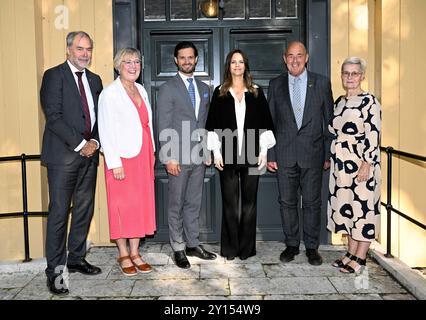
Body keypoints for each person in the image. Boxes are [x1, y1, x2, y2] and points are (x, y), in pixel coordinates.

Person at [40, 31, 103, 295]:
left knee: (83, 211)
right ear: (68, 50)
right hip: (63, 157)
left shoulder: (95, 79)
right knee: (58, 214)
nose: (84, 54)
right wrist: (81, 144)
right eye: (79, 48)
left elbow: (102, 117)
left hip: (90, 158)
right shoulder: (54, 75)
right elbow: (53, 116)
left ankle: (76, 258)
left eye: (88, 49)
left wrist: (96, 143)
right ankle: (55, 271)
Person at [267, 41, 334, 266]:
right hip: (284, 154)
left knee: (313, 203)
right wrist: (271, 154)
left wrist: (327, 154)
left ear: (306, 58)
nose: (295, 59)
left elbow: (329, 122)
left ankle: (312, 247)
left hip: (313, 154)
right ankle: (292, 244)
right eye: (290, 56)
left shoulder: (322, 83)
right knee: (287, 202)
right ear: (284, 59)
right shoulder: (275, 84)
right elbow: (270, 123)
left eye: (299, 55)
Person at [206, 49, 275, 260]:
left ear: (246, 66)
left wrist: (264, 151)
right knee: (229, 203)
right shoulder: (220, 92)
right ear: (229, 66)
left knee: (249, 204)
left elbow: (265, 124)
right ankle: (229, 249)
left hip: (252, 154)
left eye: (241, 62)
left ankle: (246, 249)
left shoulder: (256, 91)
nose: (237, 66)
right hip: (226, 155)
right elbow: (212, 126)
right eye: (234, 62)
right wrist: (216, 152)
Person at [157, 41, 216, 269]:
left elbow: (205, 123)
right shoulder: (168, 88)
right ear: (175, 60)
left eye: (190, 57)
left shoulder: (203, 87)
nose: (187, 61)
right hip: (177, 157)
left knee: (193, 203)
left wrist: (208, 150)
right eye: (182, 58)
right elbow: (163, 124)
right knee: (176, 204)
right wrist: (169, 157)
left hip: (198, 156)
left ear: (196, 59)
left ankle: (193, 243)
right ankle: (178, 248)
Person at [98, 48, 156, 276]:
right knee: (121, 207)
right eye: (127, 62)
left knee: (139, 205)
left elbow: (147, 123)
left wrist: (151, 151)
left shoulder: (141, 89)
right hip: (121, 158)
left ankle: (135, 252)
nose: (133, 66)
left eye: (136, 62)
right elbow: (105, 129)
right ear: (117, 65)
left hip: (142, 155)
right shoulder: (109, 93)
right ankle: (123, 253)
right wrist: (114, 162)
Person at [328, 57, 381, 274]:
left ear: (362, 76)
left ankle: (360, 258)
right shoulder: (339, 102)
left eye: (355, 73)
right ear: (341, 76)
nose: (350, 77)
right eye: (346, 73)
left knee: (363, 210)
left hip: (361, 164)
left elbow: (374, 135)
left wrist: (367, 164)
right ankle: (350, 252)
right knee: (347, 209)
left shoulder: (370, 102)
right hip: (340, 166)